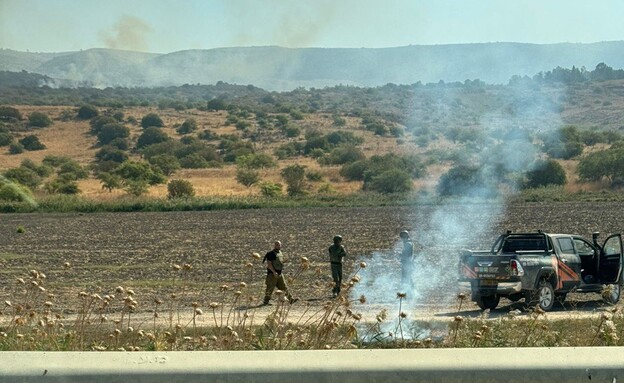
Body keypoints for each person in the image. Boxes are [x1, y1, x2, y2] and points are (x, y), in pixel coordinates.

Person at [263, 240, 298, 305]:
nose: (278, 246)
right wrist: (274, 272)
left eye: (279, 245)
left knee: (284, 287)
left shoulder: (280, 253)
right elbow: (269, 264)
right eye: (277, 245)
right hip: (272, 274)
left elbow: (278, 262)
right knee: (270, 288)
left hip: (279, 274)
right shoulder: (271, 253)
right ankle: (266, 301)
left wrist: (284, 261)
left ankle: (291, 299)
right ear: (274, 245)